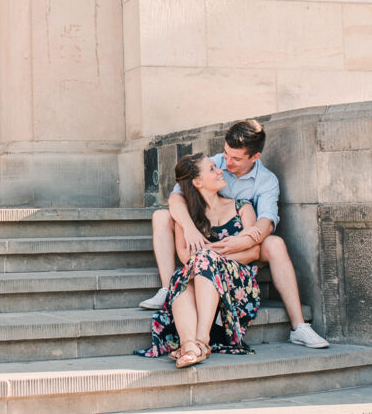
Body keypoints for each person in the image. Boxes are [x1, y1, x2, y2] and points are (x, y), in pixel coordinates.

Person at [138, 119, 329, 349]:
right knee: (161, 216)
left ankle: (299, 327)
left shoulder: (266, 181)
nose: (226, 163)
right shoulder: (214, 164)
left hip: (242, 244)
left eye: (236, 159)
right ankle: (167, 288)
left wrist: (245, 239)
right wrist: (188, 228)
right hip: (204, 247)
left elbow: (267, 221)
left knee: (276, 243)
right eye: (226, 153)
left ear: (254, 157)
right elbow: (177, 197)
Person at [135, 153, 261, 367]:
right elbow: (185, 256)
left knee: (203, 261)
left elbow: (253, 252)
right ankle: (190, 346)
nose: (221, 170)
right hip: (200, 279)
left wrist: (212, 255)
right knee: (181, 279)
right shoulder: (187, 216)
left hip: (238, 284)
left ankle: (202, 340)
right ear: (197, 182)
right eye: (212, 169)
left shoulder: (243, 207)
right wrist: (206, 257)